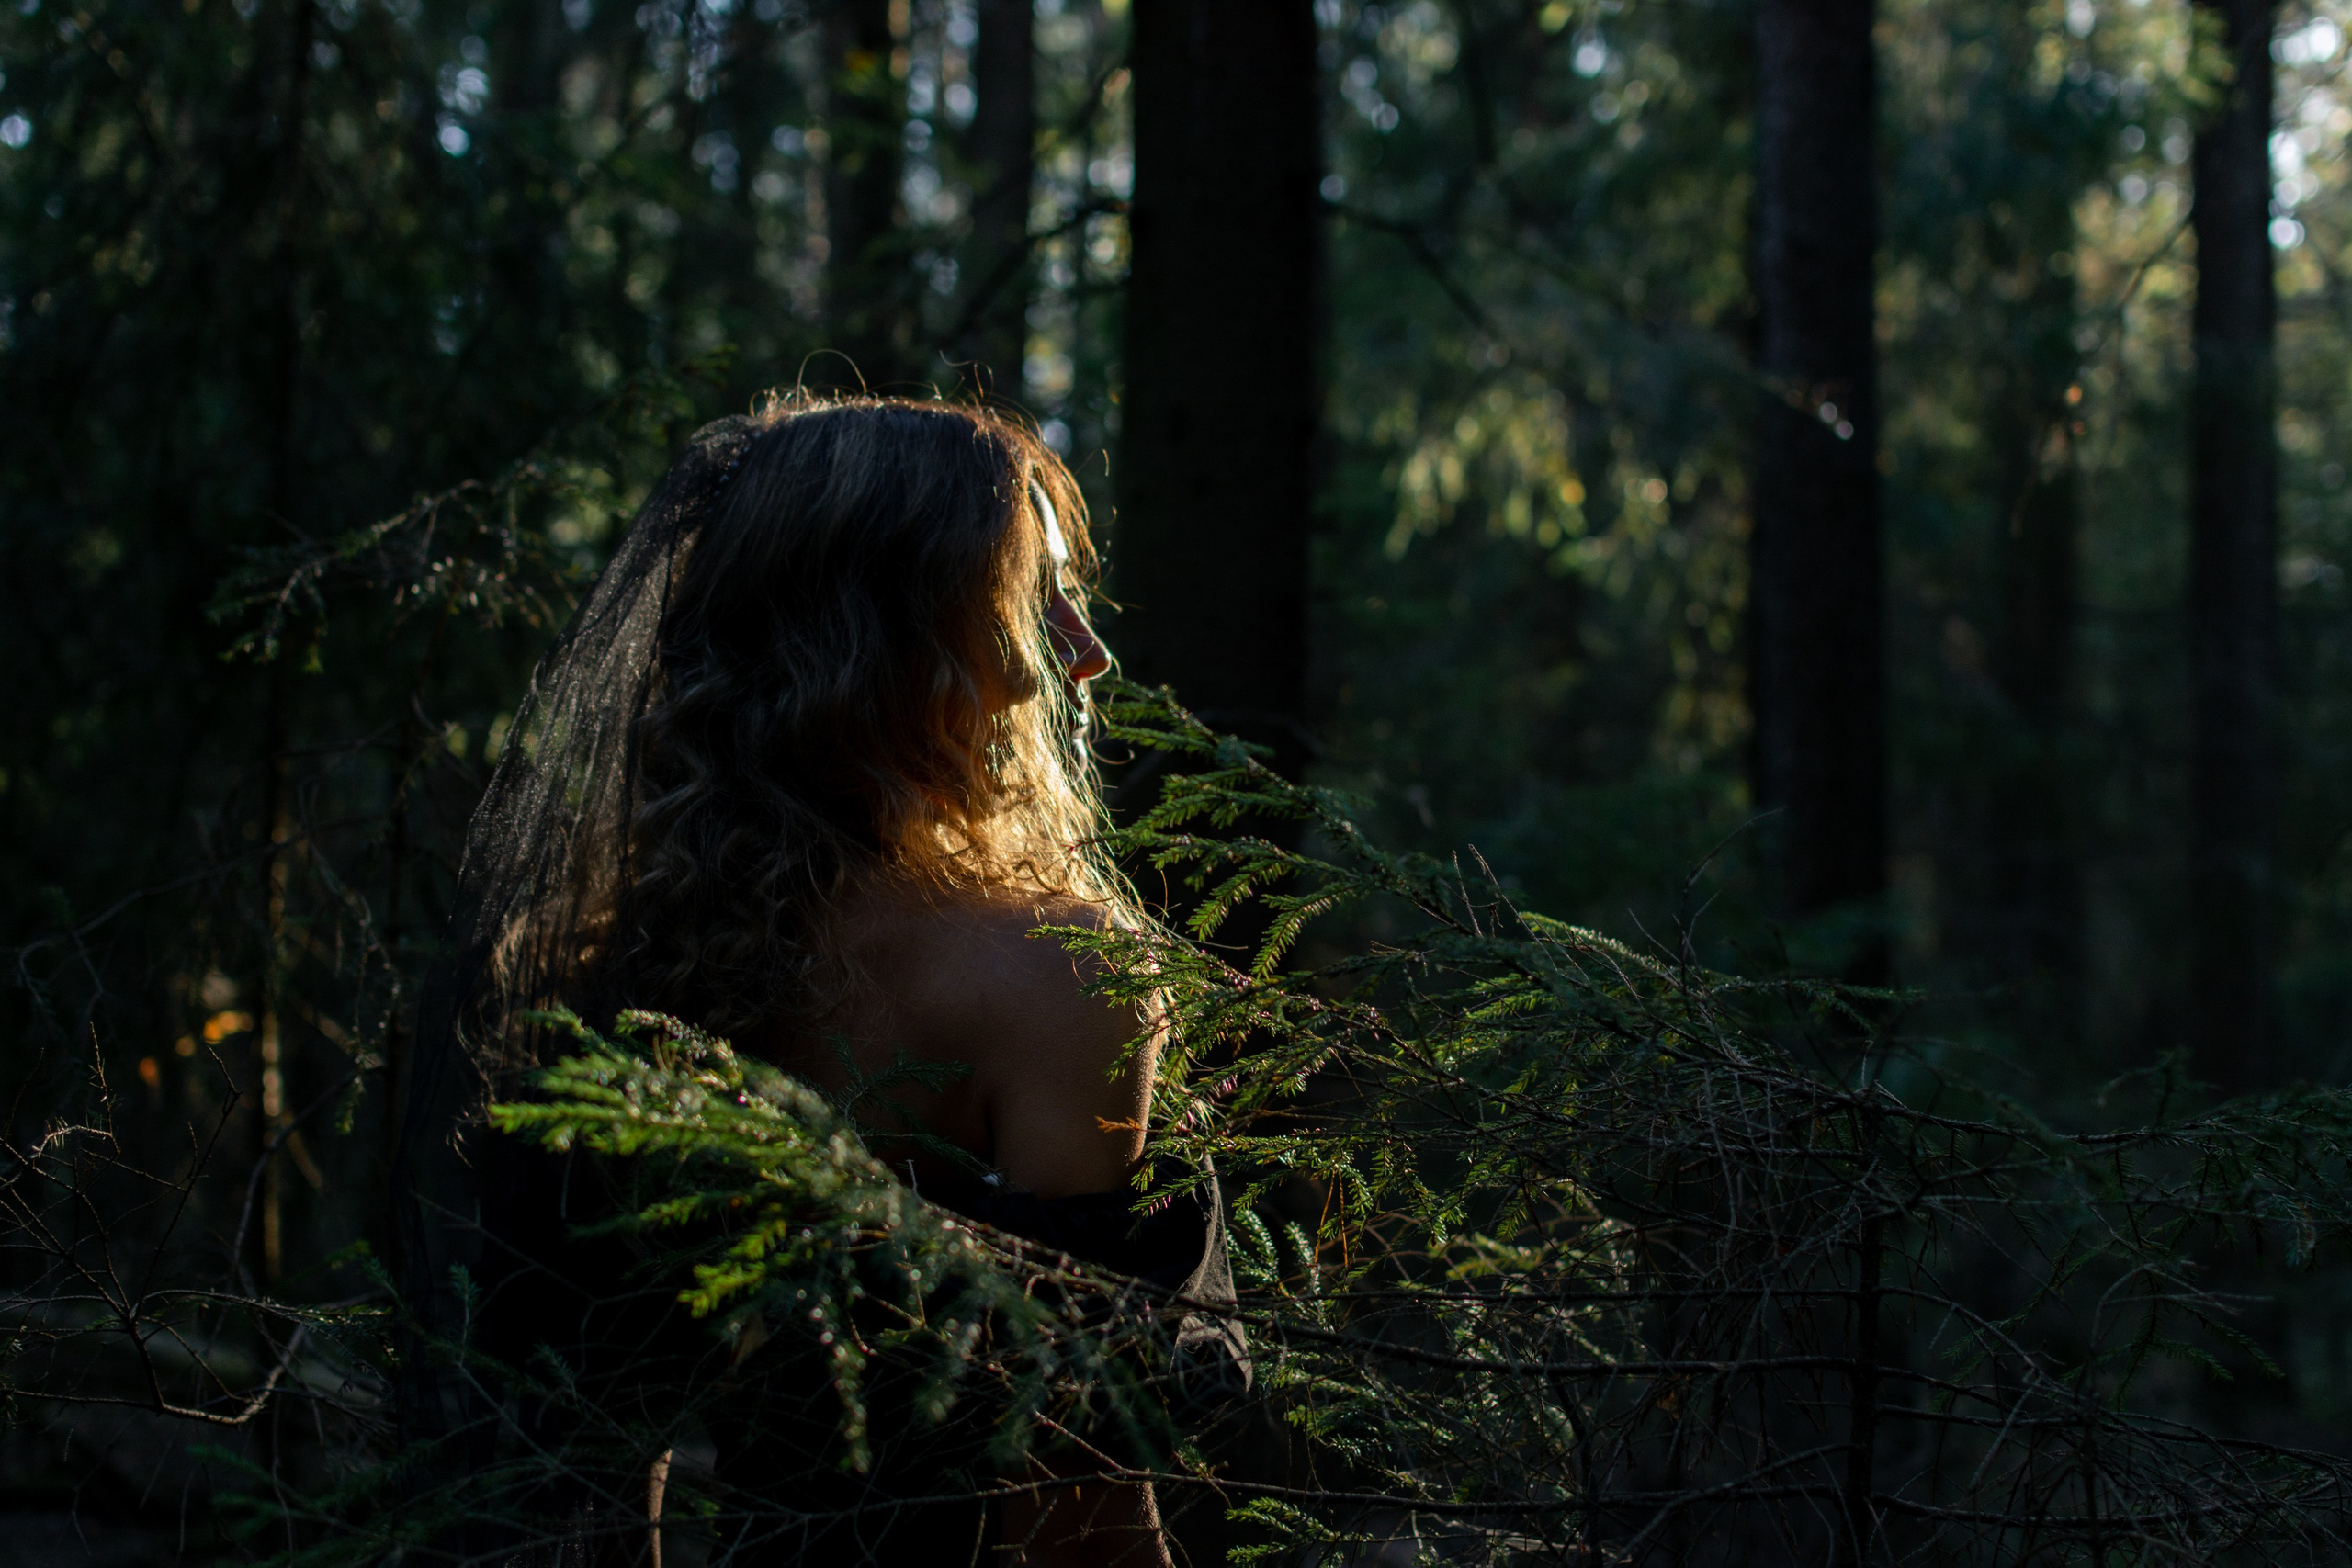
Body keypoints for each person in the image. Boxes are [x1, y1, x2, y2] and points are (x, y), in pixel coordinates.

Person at [393, 394, 1243, 1567]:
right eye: (1031, 599)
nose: (1084, 653)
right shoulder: (1057, 974)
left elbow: (587, 1473)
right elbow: (1076, 1507)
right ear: (903, 627)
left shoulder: (617, 964)